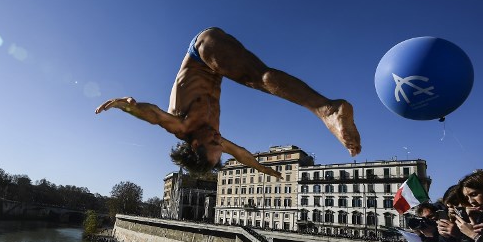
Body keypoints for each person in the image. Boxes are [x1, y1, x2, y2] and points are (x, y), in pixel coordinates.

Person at [95, 27, 361, 176]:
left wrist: (125, 104)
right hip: (217, 64)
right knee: (258, 77)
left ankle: (328, 110)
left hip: (201, 51)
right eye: (219, 143)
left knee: (259, 79)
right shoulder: (215, 140)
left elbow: (151, 114)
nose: (218, 137)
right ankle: (327, 109)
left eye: (214, 141)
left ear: (195, 143)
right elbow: (242, 155)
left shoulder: (180, 126)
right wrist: (266, 171)